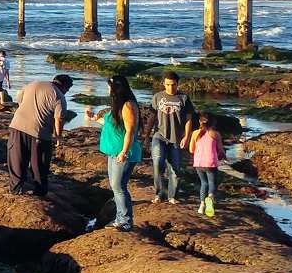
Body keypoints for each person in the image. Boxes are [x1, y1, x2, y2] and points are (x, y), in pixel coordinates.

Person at [88, 75, 141, 231]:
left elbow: (130, 131)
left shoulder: (128, 105)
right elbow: (109, 123)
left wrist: (124, 152)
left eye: (109, 86)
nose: (107, 89)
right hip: (113, 152)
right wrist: (93, 119)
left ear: (116, 87)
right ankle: (120, 219)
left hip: (123, 153)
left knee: (119, 187)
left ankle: (125, 221)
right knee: (115, 186)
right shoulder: (117, 105)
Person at [7, 74, 73, 196]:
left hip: (17, 126)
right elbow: (58, 119)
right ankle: (39, 192)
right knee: (39, 164)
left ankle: (15, 189)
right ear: (65, 87)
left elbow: (19, 100)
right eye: (67, 90)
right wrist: (58, 137)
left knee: (17, 160)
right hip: (40, 133)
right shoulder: (59, 96)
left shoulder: (33, 84)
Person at [149, 71, 197, 204]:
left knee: (175, 169)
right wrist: (146, 135)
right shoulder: (157, 97)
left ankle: (172, 196)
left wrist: (187, 136)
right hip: (159, 136)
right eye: (168, 84)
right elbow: (152, 117)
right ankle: (159, 193)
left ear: (178, 84)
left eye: (173, 85)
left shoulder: (184, 98)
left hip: (176, 138)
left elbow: (188, 119)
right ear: (163, 84)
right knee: (158, 163)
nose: (171, 87)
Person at [189, 113, 223, 218]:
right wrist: (223, 156)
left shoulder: (195, 133)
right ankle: (211, 196)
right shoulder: (215, 134)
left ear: (200, 122)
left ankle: (201, 206)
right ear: (213, 123)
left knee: (203, 183)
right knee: (212, 182)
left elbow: (191, 149)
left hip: (199, 162)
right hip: (211, 162)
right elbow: (220, 150)